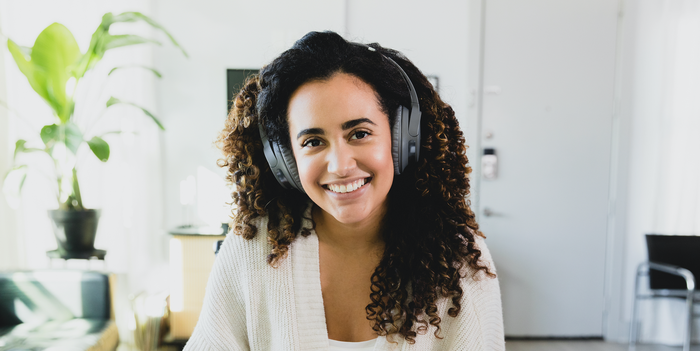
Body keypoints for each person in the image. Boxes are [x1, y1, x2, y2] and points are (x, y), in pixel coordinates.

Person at [184, 31, 504, 351]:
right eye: (312, 142)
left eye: (359, 133)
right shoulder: (252, 248)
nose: (339, 165)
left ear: (403, 141)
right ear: (284, 160)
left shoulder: (456, 257)